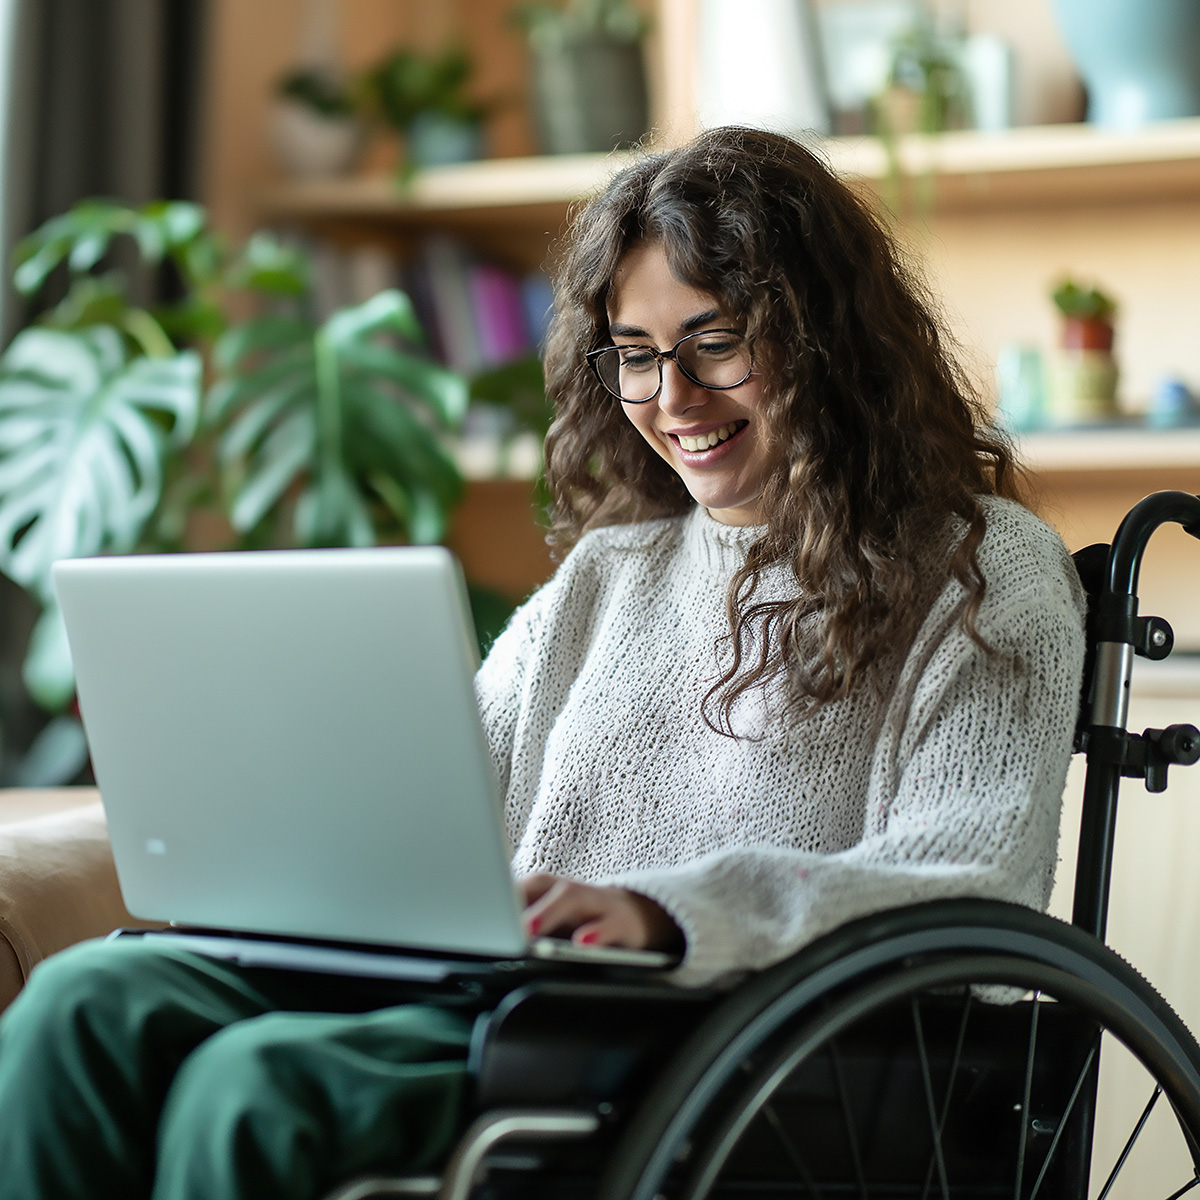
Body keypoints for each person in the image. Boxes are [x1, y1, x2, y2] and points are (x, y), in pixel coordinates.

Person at [0, 126, 1085, 1199]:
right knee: (86, 1002)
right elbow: (437, 791)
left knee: (256, 1090)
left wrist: (665, 915)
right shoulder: (608, 577)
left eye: (717, 343)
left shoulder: (986, 570)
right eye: (638, 355)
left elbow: (971, 879)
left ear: (826, 338)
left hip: (719, 1038)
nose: (673, 397)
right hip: (507, 990)